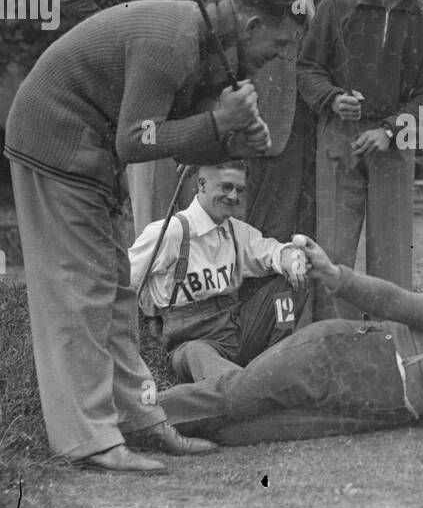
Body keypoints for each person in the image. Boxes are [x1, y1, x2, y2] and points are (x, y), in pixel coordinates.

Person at [4, 0, 304, 474]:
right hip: (54, 145)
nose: (278, 58)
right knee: (82, 294)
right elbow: (134, 142)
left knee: (117, 293)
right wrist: (219, 122)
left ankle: (138, 419)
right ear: (250, 26)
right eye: (278, 45)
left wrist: (231, 143)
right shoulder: (174, 40)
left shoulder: (211, 49)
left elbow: (177, 146)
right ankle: (88, 440)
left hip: (91, 154)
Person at [156, 236, 423, 445]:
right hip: (330, 357)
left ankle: (197, 355)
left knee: (235, 432)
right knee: (234, 400)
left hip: (351, 413)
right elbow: (394, 300)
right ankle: (128, 420)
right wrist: (337, 276)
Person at [57, 0, 234, 240]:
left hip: (199, 109)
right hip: (148, 109)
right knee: (155, 228)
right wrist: (122, 36)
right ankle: (150, 299)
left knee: (204, 221)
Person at [297, 0, 423, 317]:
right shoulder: (337, 4)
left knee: (393, 256)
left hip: (394, 145)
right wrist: (332, 99)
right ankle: (334, 342)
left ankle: (389, 345)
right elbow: (308, 68)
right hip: (338, 139)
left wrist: (390, 130)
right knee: (333, 251)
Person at [128, 161, 313, 383]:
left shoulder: (235, 229)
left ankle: (276, 358)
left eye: (240, 190)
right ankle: (248, 385)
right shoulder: (171, 232)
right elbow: (126, 280)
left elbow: (271, 250)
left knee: (291, 285)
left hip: (237, 331)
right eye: (226, 187)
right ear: (202, 185)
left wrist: (289, 258)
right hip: (193, 341)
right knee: (197, 355)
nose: (233, 197)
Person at [208, 0, 318, 243]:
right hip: (253, 141)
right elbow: (213, 79)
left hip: (299, 134)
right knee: (249, 238)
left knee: (292, 239)